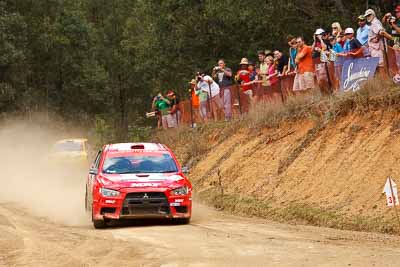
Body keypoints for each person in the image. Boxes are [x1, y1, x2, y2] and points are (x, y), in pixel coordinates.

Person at [365, 8, 393, 78]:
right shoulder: (375, 22)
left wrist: (391, 38)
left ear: (373, 14)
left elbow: (381, 32)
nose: (368, 17)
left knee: (381, 67)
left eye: (369, 15)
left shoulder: (375, 23)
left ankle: (385, 84)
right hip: (376, 49)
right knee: (379, 68)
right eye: (367, 16)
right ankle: (384, 83)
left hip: (377, 50)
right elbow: (380, 32)